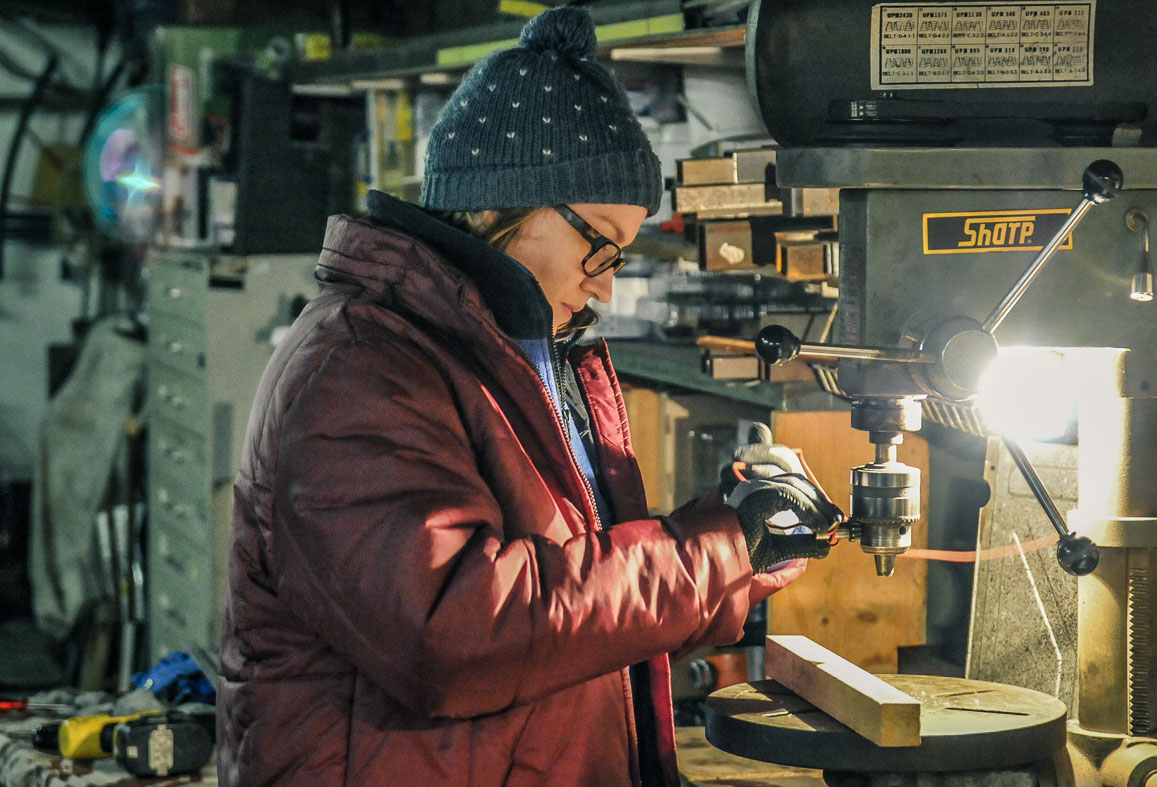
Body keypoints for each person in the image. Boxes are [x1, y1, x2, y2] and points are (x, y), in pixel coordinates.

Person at [216, 8, 842, 786]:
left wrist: (740, 558)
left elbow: (576, 613)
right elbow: (457, 632)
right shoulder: (362, 368)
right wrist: (708, 549)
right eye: (599, 243)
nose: (607, 285)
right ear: (497, 203)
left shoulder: (523, 356)